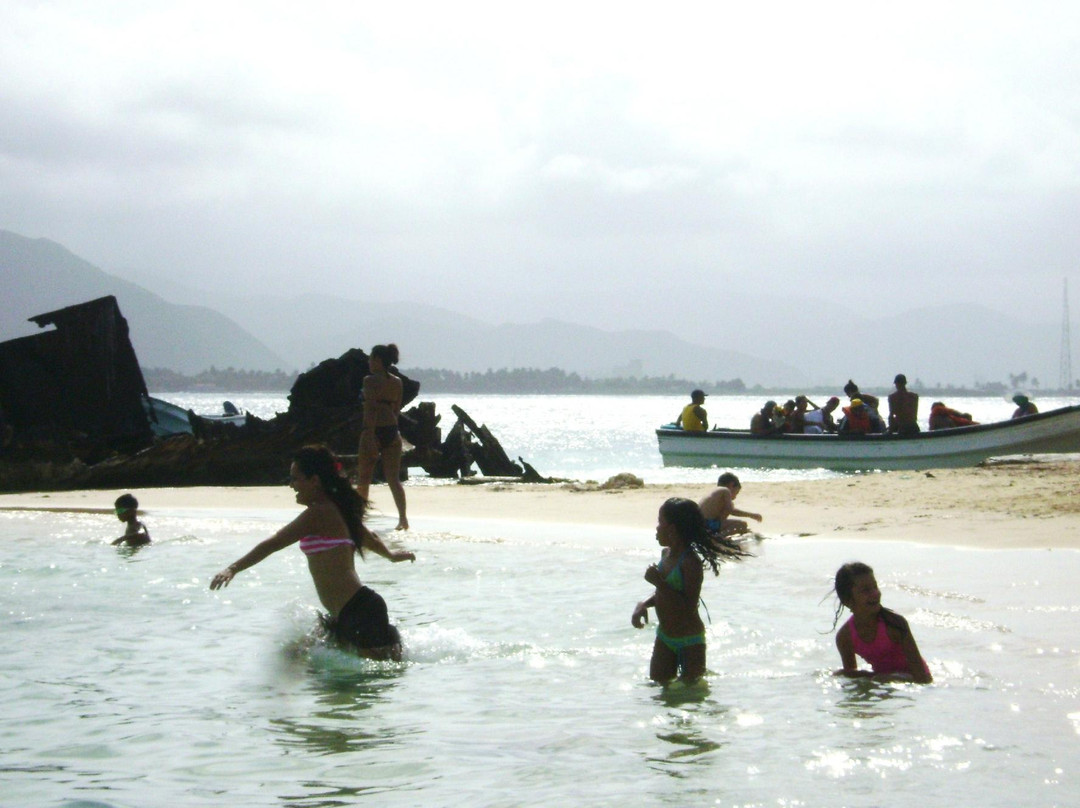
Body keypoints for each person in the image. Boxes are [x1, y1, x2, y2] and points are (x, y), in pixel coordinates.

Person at [210, 445, 415, 660]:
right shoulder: (337, 509)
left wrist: (233, 568)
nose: (291, 485)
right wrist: (391, 557)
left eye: (295, 479)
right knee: (296, 657)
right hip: (348, 613)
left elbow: (274, 543)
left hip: (359, 612)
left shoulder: (319, 513)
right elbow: (369, 537)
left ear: (314, 481)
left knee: (367, 682)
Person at [630, 498, 746, 683]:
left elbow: (687, 607)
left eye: (660, 522)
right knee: (659, 688)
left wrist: (659, 583)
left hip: (690, 641)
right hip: (665, 636)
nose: (656, 528)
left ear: (673, 529)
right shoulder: (665, 555)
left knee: (692, 693)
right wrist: (643, 604)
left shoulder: (690, 563)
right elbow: (665, 594)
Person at [831, 561, 932, 683]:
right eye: (866, 590)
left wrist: (891, 678)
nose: (875, 593)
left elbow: (924, 679)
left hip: (910, 681)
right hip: (882, 682)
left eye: (875, 587)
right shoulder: (845, 637)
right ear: (848, 601)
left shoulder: (895, 624)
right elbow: (852, 682)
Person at [356, 344, 409, 530]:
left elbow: (370, 408)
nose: (369, 362)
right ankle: (403, 519)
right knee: (393, 479)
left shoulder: (369, 381)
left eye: (371, 358)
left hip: (373, 430)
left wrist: (369, 434)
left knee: (364, 477)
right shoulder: (397, 382)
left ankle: (359, 518)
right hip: (392, 430)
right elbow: (396, 409)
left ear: (378, 360)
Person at [699, 472, 762, 539]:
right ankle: (718, 536)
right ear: (731, 485)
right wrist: (752, 515)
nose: (735, 497)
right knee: (742, 525)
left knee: (736, 524)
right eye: (736, 493)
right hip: (708, 524)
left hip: (700, 523)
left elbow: (730, 511)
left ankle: (717, 534)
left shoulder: (715, 493)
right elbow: (731, 510)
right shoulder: (725, 490)